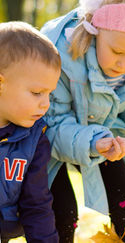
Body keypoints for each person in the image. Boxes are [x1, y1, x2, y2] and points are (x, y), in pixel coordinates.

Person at [41, 0, 125, 242]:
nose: (124, 65)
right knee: (61, 208)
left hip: (100, 135)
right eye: (117, 52)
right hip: (48, 136)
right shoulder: (59, 54)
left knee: (124, 194)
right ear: (96, 27)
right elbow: (53, 121)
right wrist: (91, 140)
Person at [0, 21, 61, 243]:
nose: (45, 104)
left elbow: (36, 203)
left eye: (49, 95)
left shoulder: (34, 138)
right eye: (36, 93)